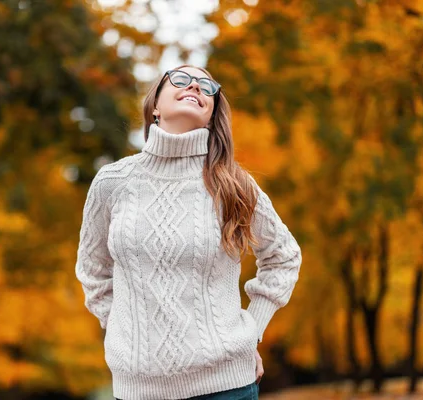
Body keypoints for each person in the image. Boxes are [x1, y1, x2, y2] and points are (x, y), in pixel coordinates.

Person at [75, 64, 302, 400]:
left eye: (207, 86)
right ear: (155, 104)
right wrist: (123, 329)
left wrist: (253, 329)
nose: (195, 86)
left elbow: (283, 257)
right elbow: (93, 271)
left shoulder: (233, 184)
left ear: (211, 115)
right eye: (181, 80)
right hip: (139, 389)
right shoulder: (112, 183)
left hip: (226, 386)